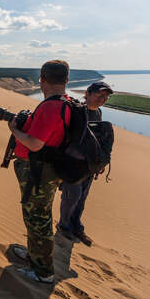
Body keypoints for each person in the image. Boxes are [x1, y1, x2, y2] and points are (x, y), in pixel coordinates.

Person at [7, 59, 72, 284]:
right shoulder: (68, 102)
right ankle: (35, 255)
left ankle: (43, 272)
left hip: (38, 172)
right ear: (66, 79)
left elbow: (35, 144)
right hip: (48, 170)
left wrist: (15, 130)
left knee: (38, 219)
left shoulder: (50, 106)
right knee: (38, 216)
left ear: (42, 79)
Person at [57, 81, 113, 246]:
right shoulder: (76, 111)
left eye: (106, 97)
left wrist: (100, 162)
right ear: (88, 93)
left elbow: (97, 141)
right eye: (99, 95)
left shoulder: (99, 113)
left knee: (82, 198)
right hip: (73, 165)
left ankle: (76, 226)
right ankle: (64, 226)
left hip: (89, 167)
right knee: (71, 197)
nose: (102, 99)